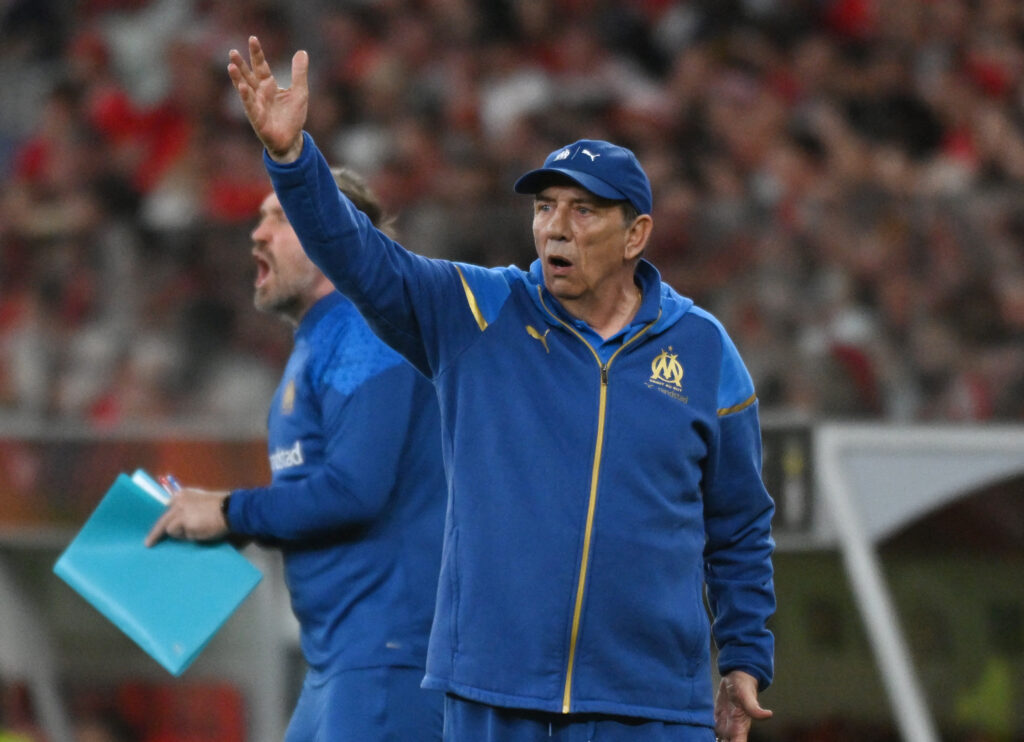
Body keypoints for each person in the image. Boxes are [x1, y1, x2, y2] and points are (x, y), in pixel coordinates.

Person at [228, 36, 776, 742]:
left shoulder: (704, 351)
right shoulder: (476, 313)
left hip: (651, 704)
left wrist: (744, 656)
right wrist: (291, 160)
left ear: (636, 233)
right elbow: (360, 258)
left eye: (584, 211)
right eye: (545, 207)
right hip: (493, 693)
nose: (556, 228)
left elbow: (739, 523)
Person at [144, 165, 446, 742]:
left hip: (387, 657)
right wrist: (228, 523)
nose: (257, 234)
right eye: (261, 218)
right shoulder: (320, 342)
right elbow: (324, 495)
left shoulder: (366, 331)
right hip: (341, 660)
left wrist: (231, 512)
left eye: (280, 218)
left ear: (336, 233)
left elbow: (356, 491)